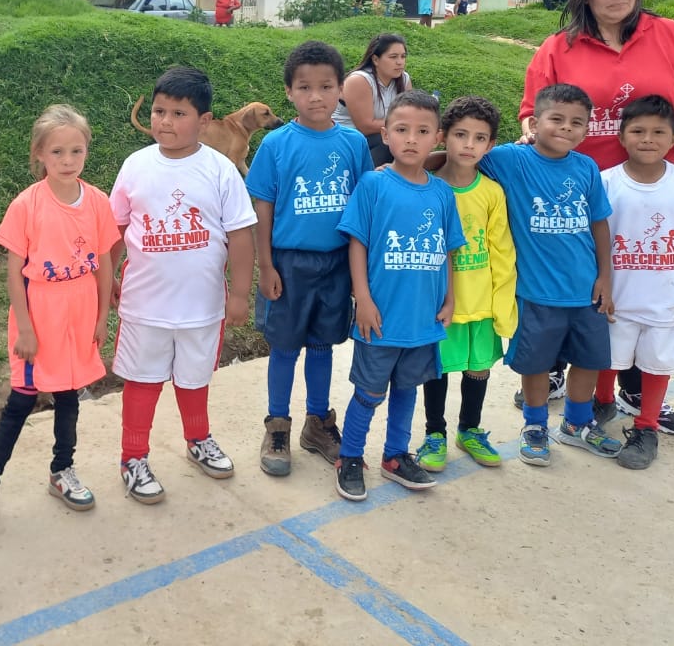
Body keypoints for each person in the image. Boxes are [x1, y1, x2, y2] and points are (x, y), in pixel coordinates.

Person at [521, 0, 674, 431]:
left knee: (646, 281)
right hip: (574, 192)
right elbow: (532, 111)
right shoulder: (558, 47)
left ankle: (636, 386)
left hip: (646, 189)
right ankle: (560, 373)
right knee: (579, 282)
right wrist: (529, 133)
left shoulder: (669, 36)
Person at [0, 105, 119, 533]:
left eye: (76, 151)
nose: (67, 160)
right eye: (57, 151)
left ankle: (62, 471)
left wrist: (101, 317)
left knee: (67, 396)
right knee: (21, 403)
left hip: (80, 314)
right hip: (39, 315)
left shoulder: (97, 202)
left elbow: (103, 264)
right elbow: (13, 270)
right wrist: (25, 326)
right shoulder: (28, 205)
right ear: (39, 154)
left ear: (86, 152)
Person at [109, 66, 257, 503]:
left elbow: (241, 234)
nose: (165, 122)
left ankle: (199, 440)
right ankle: (132, 457)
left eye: (178, 113)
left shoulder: (219, 170)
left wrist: (239, 292)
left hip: (202, 307)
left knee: (194, 379)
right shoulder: (135, 165)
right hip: (143, 306)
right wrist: (111, 280)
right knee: (142, 381)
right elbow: (115, 230)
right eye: (158, 111)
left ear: (205, 121)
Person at [333, 90, 465, 500]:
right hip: (382, 315)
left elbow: (447, 250)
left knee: (408, 389)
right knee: (370, 392)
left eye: (422, 131)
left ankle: (395, 456)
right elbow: (358, 243)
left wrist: (450, 298)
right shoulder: (373, 184)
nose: (411, 139)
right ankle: (350, 456)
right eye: (402, 130)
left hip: (423, 318)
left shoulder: (442, 193)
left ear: (437, 137)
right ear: (386, 134)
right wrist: (363, 299)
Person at [247, 42, 370, 477]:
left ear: (341, 89)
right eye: (304, 87)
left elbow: (363, 208)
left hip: (336, 264)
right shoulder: (276, 144)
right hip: (290, 264)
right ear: (288, 92)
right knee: (284, 348)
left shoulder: (354, 144)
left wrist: (361, 276)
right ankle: (278, 425)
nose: (315, 96)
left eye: (325, 86)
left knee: (322, 346)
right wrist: (266, 265)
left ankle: (318, 423)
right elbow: (262, 206)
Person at [482, 84, 621, 467]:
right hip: (536, 292)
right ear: (534, 121)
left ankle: (576, 424)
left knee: (590, 360)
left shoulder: (586, 167)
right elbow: (463, 157)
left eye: (577, 122)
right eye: (556, 119)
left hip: (585, 290)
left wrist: (605, 277)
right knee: (536, 365)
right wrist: (410, 167)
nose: (566, 128)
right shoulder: (511, 159)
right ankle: (535, 425)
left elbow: (599, 224)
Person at [597, 96, 674, 470]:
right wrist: (601, 285)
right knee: (608, 359)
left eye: (658, 132)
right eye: (638, 131)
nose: (648, 139)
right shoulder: (606, 183)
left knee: (657, 364)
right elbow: (594, 240)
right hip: (618, 297)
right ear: (621, 135)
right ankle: (599, 404)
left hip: (668, 299)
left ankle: (646, 427)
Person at [415, 96, 516, 474]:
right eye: (460, 135)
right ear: (444, 137)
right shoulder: (430, 189)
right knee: (438, 369)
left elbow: (502, 251)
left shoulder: (491, 192)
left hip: (482, 303)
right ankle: (434, 432)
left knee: (478, 370)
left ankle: (470, 429)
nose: (469, 145)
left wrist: (502, 305)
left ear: (490, 145)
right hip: (440, 306)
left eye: (479, 138)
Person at [332, 32, 413, 168]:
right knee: (388, 141)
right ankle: (369, 181)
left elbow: (411, 114)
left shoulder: (403, 79)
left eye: (403, 56)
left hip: (379, 135)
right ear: (375, 60)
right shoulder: (360, 80)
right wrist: (402, 125)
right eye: (393, 57)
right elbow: (366, 126)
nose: (400, 62)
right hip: (345, 138)